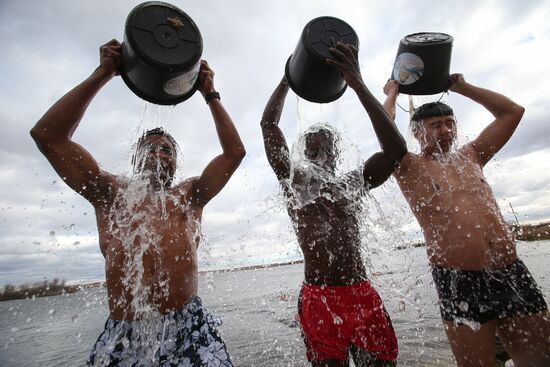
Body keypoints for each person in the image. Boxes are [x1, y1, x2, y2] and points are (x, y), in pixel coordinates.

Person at [30, 39, 245, 366]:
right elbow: (48, 135)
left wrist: (210, 93)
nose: (158, 155)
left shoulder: (189, 196)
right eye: (150, 148)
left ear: (175, 162)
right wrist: (102, 74)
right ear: (135, 158)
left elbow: (234, 153)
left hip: (190, 328)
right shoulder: (111, 194)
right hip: (126, 333)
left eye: (167, 151)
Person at [383, 76, 550, 366]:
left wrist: (461, 87)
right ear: (417, 132)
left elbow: (513, 112)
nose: (446, 130)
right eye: (436, 125)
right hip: (460, 280)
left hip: (510, 271)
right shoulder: (408, 166)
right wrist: (392, 92)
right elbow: (383, 129)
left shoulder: (471, 155)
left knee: (541, 359)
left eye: (450, 123)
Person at [261, 42, 407, 367]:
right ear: (302, 155)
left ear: (337, 155)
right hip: (319, 298)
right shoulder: (294, 183)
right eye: (312, 150)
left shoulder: (353, 183)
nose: (320, 154)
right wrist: (289, 77)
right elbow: (269, 126)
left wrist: (356, 82)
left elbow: (396, 151)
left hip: (361, 294)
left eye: (327, 148)